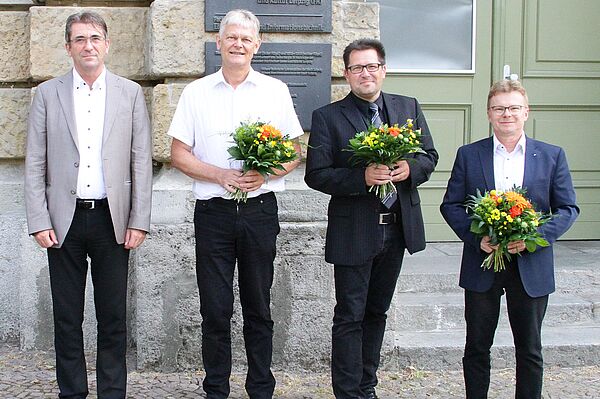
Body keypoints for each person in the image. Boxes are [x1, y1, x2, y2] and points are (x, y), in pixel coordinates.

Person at [168, 9, 302, 399]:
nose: (238, 44)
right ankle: (216, 389)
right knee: (215, 308)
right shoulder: (196, 92)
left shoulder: (274, 90)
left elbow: (294, 151)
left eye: (246, 38)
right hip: (213, 213)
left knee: (258, 305)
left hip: (259, 210)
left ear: (256, 45)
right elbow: (179, 153)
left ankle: (261, 386)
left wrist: (268, 172)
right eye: (231, 37)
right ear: (219, 43)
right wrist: (218, 175)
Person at [24, 11, 152, 399]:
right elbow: (35, 162)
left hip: (112, 221)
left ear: (107, 44)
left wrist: (139, 219)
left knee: (112, 316)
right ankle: (72, 392)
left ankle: (112, 392)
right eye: (79, 39)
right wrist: (38, 219)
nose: (88, 45)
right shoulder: (47, 94)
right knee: (67, 317)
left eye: (95, 37)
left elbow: (140, 159)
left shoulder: (130, 93)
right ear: (68, 47)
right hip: (63, 221)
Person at [304, 38, 438, 399]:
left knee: (377, 312)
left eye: (372, 66)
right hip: (354, 231)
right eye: (357, 67)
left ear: (383, 69)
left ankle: (367, 386)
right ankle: (347, 392)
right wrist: (361, 178)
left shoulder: (407, 107)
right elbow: (316, 175)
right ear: (346, 74)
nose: (366, 73)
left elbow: (430, 156)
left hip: (397, 229)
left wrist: (410, 168)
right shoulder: (327, 117)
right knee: (350, 314)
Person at [440, 80, 579, 398]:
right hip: (483, 262)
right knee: (476, 346)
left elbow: (568, 209)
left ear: (526, 112)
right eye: (499, 108)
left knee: (529, 349)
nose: (507, 114)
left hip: (531, 265)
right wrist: (478, 239)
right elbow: (451, 205)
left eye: (514, 107)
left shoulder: (551, 156)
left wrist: (533, 238)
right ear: (489, 113)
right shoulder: (469, 154)